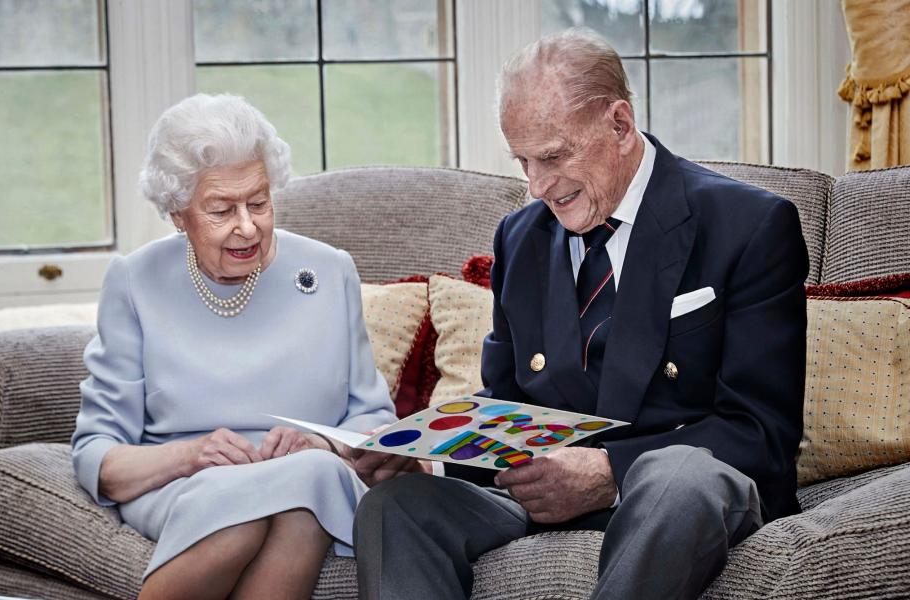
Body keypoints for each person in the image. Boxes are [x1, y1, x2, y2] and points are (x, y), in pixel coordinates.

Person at [351, 28, 808, 600]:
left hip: (679, 497)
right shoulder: (519, 237)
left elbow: (762, 433)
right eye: (523, 162)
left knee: (677, 478)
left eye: (552, 156)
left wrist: (609, 472)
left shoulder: (748, 225)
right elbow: (506, 412)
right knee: (396, 507)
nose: (538, 186)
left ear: (619, 124)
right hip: (543, 501)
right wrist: (429, 462)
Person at [71, 93, 397, 600]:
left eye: (260, 202)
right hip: (183, 482)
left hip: (312, 475)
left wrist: (323, 444)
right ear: (179, 214)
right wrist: (191, 456)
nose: (248, 226)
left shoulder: (330, 271)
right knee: (252, 513)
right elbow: (98, 455)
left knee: (304, 487)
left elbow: (372, 420)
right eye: (221, 209)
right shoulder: (135, 281)